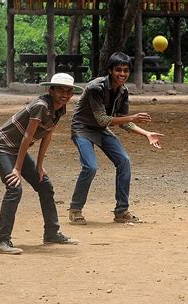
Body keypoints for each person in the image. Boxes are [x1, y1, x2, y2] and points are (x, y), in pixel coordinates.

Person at [0, 73, 83, 255]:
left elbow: (47, 135)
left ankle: (52, 233)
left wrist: (39, 166)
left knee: (44, 185)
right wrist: (17, 168)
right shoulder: (40, 106)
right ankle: (1, 241)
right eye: (61, 90)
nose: (65, 94)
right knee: (14, 188)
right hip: (2, 148)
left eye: (69, 91)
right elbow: (27, 137)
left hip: (16, 150)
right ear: (51, 90)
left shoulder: (60, 108)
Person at [68, 52, 163, 225]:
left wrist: (146, 133)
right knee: (90, 167)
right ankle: (75, 210)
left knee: (124, 161)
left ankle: (121, 211)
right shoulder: (95, 87)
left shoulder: (123, 91)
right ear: (110, 70)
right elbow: (103, 119)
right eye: (118, 70)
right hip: (82, 128)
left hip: (101, 129)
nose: (122, 74)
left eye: (126, 71)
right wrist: (132, 118)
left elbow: (123, 122)